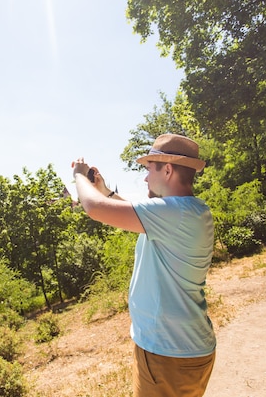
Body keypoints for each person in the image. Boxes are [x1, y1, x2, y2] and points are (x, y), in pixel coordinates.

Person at [72, 134, 216, 397]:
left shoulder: (174, 213)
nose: (146, 178)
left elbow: (94, 208)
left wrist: (79, 177)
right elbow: (132, 210)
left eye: (150, 169)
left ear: (168, 170)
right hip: (185, 348)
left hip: (167, 353)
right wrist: (105, 190)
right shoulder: (191, 211)